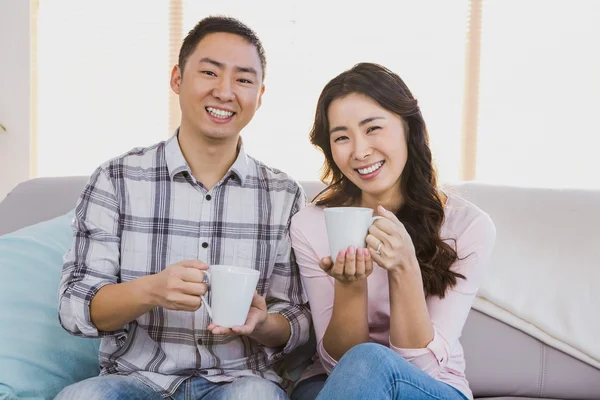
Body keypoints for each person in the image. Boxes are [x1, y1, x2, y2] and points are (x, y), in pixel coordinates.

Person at [55, 16, 311, 400]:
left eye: (243, 80)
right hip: (135, 378)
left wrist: (263, 324)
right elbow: (75, 307)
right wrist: (150, 291)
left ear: (259, 95)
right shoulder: (117, 178)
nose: (225, 92)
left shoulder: (283, 195)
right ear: (177, 79)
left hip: (239, 381)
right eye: (210, 72)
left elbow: (300, 319)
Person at [289, 63, 496, 400]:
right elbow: (335, 365)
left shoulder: (467, 226)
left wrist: (404, 267)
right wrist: (350, 286)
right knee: (349, 371)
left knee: (368, 361)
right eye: (341, 137)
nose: (359, 151)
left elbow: (424, 366)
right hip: (335, 384)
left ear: (408, 128)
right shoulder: (310, 224)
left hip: (431, 386)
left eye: (373, 129)